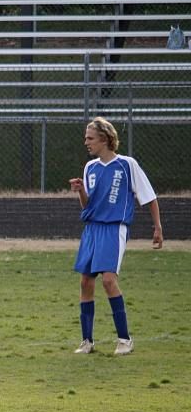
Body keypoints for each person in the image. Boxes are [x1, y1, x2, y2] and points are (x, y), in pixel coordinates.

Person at [69, 116, 163, 356]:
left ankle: (125, 339)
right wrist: (80, 191)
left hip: (114, 228)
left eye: (90, 138)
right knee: (85, 282)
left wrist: (158, 227)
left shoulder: (127, 164)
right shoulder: (90, 167)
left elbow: (149, 197)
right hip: (92, 228)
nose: (86, 142)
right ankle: (87, 341)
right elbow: (87, 206)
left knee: (109, 281)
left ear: (104, 139)